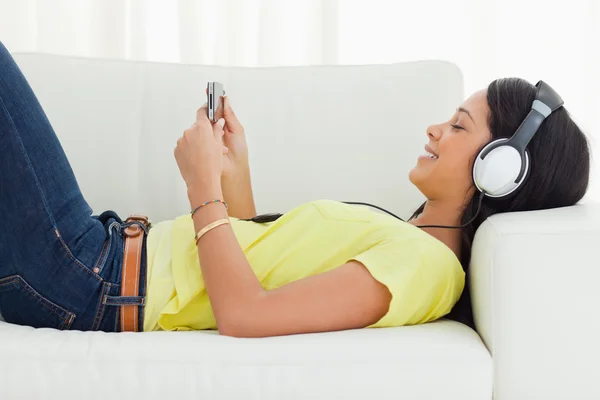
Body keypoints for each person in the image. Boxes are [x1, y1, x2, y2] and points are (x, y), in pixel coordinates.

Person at [0, 42, 590, 336]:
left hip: (88, 277)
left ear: (497, 170)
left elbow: (246, 314)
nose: (436, 129)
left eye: (460, 127)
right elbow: (261, 271)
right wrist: (234, 173)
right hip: (94, 262)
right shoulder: (408, 241)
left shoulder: (428, 270)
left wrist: (201, 188)